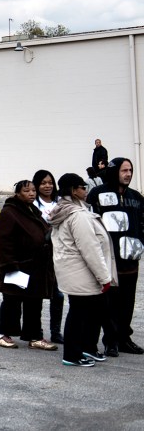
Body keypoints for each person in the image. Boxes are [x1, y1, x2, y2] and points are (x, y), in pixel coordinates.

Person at [51, 173, 117, 367]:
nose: (86, 190)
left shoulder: (65, 209)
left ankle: (85, 348)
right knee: (79, 313)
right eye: (82, 187)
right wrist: (104, 277)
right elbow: (89, 248)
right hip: (81, 271)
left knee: (88, 312)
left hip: (74, 271)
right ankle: (72, 355)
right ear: (73, 190)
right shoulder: (77, 215)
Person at [87, 157, 144, 356]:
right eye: (124, 170)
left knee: (128, 303)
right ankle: (110, 340)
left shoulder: (136, 197)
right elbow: (91, 223)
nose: (128, 174)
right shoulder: (97, 194)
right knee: (109, 304)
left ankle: (124, 339)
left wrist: (140, 242)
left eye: (130, 170)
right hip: (108, 261)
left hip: (130, 261)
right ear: (114, 172)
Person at [0, 180, 57, 350]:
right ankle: (3, 334)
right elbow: (3, 241)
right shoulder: (9, 212)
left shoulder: (32, 210)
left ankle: (34, 336)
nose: (32, 193)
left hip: (35, 266)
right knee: (11, 301)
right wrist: (9, 264)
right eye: (27, 191)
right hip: (16, 266)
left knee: (34, 302)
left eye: (33, 190)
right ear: (17, 193)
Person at [33, 169, 65, 344]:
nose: (47, 186)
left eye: (50, 182)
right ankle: (36, 330)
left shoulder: (60, 203)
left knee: (58, 295)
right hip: (40, 255)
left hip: (58, 253)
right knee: (37, 295)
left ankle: (56, 331)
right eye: (43, 183)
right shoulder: (34, 205)